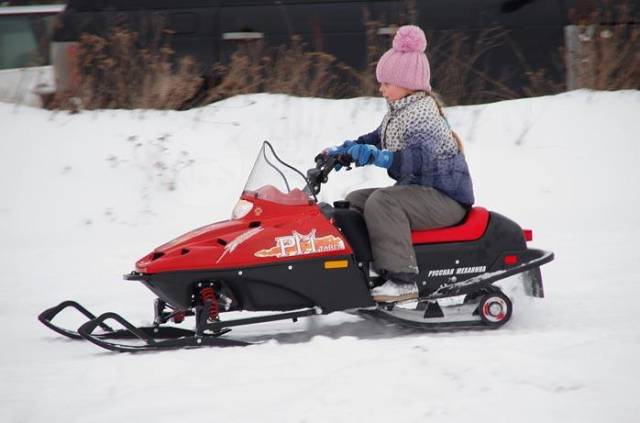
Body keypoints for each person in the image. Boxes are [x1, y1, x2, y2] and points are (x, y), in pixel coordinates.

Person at [323, 25, 474, 302]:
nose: (381, 89)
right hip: (422, 192)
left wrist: (377, 157)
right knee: (356, 200)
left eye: (386, 83)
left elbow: (417, 159)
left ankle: (402, 281)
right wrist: (344, 150)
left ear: (407, 83)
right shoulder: (400, 110)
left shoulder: (423, 114)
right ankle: (370, 269)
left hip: (446, 198)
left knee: (382, 202)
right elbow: (376, 138)